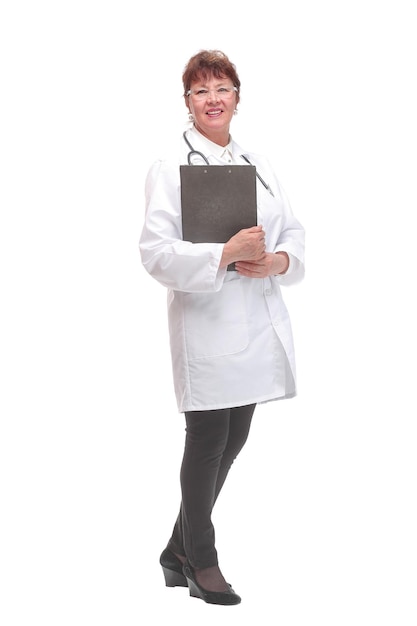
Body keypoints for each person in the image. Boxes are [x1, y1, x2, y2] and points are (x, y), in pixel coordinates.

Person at [139, 49, 305, 605]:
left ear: (237, 97)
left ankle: (175, 547)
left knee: (235, 437)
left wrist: (277, 261)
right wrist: (222, 255)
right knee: (208, 439)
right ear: (187, 102)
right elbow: (155, 253)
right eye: (201, 90)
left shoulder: (258, 164)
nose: (213, 99)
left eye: (223, 88)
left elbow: (293, 232)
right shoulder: (170, 166)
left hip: (254, 323)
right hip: (207, 322)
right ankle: (201, 560)